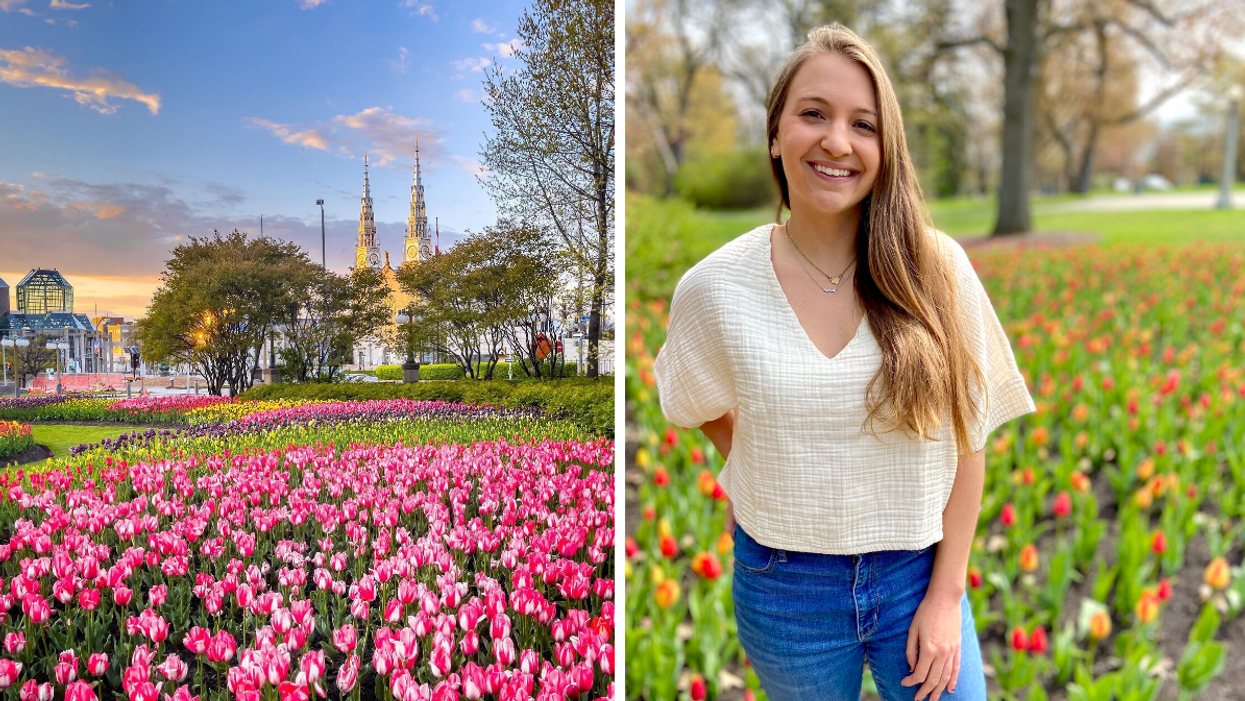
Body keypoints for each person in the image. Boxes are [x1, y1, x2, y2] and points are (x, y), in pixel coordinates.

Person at [654, 24, 1035, 701]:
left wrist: (945, 597)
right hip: (784, 587)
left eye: (863, 124)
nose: (836, 140)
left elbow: (967, 438)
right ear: (774, 133)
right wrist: (768, 458)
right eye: (812, 114)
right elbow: (691, 401)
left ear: (885, 149)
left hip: (917, 574)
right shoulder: (716, 287)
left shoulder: (932, 268)